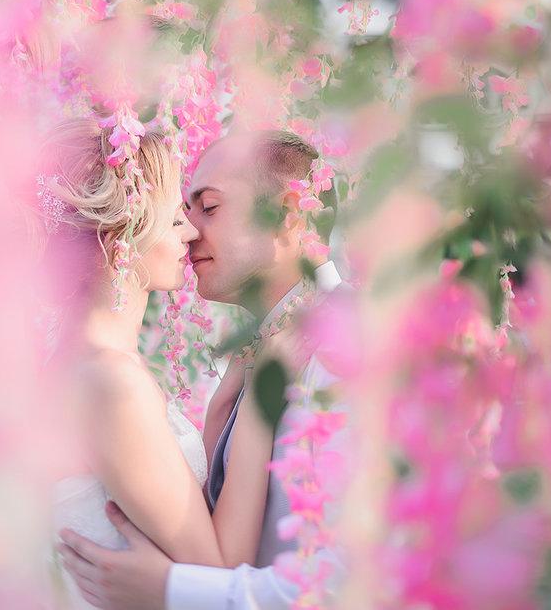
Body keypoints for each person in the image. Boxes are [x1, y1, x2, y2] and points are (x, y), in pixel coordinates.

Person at [57, 129, 346, 610]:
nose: (191, 231)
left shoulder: (346, 354)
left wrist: (170, 589)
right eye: (181, 215)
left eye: (208, 208)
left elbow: (350, 579)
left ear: (290, 216)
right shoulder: (260, 358)